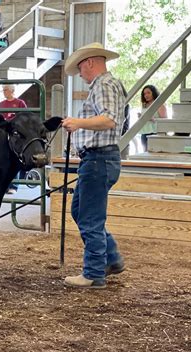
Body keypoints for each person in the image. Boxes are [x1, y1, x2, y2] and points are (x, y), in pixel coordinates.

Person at [61, 42, 126, 289]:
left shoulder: (104, 85)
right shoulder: (103, 85)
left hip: (98, 159)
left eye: (80, 68)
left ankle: (94, 272)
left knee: (89, 216)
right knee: (81, 211)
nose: (80, 74)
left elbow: (109, 119)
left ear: (89, 62)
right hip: (98, 159)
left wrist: (78, 122)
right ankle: (111, 259)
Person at [0, 84, 27, 194]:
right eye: (3, 90)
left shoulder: (20, 103)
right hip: (4, 134)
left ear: (12, 91)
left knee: (15, 159)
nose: (4, 92)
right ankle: (4, 186)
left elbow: (24, 117)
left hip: (16, 135)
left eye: (5, 90)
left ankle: (14, 186)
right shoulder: (1, 104)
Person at [139, 84, 167, 152]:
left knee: (154, 154)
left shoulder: (160, 105)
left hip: (155, 133)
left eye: (148, 92)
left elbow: (165, 122)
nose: (146, 95)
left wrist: (151, 119)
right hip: (144, 133)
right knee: (145, 154)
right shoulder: (144, 105)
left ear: (153, 93)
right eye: (144, 93)